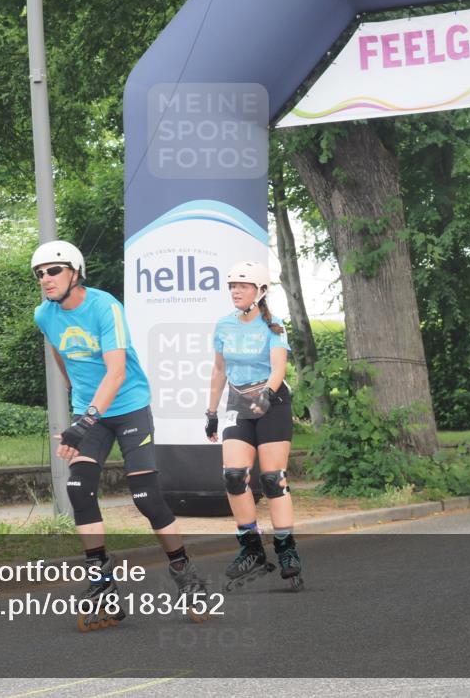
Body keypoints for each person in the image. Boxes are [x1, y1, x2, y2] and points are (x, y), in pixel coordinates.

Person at [31, 240, 208, 628]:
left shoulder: (105, 306)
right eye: (39, 273)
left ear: (75, 272)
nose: (45, 278)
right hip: (89, 412)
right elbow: (61, 354)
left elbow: (116, 373)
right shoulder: (44, 315)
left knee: (146, 497)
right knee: (78, 489)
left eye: (53, 270)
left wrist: (83, 421)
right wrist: (75, 397)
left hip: (128, 406)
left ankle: (185, 574)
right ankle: (102, 583)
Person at [205, 260, 303, 591]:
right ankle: (251, 547)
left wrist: (265, 395)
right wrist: (211, 412)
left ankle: (286, 547)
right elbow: (219, 371)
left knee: (273, 479)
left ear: (259, 291)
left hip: (272, 403)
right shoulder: (223, 325)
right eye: (232, 285)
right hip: (237, 403)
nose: (235, 290)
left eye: (242, 286)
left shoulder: (273, 327)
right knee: (233, 476)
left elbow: (278, 370)